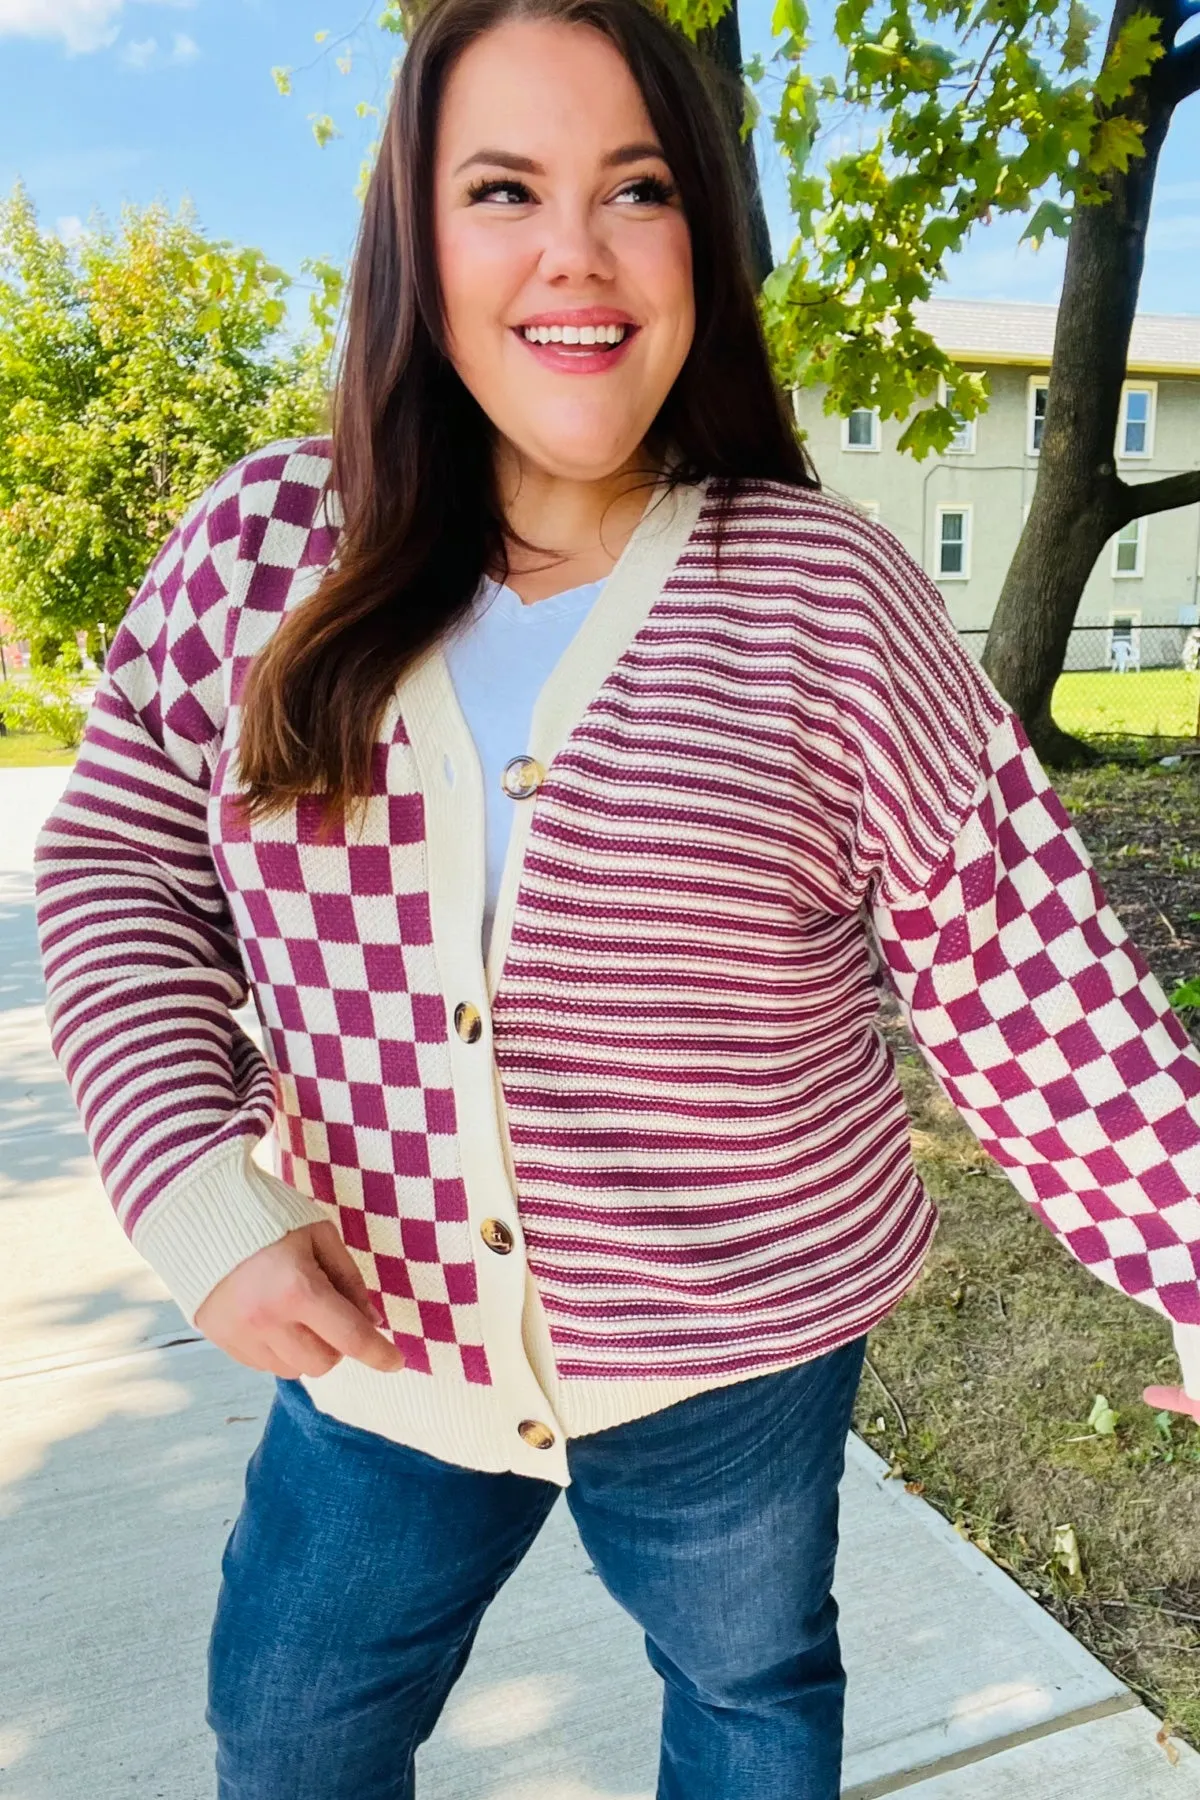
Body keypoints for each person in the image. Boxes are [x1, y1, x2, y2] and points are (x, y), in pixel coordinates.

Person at [32, 0, 1200, 1794]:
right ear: (415, 237)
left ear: (700, 240)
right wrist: (193, 1181)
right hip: (375, 1321)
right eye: (502, 187)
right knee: (289, 1716)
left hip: (739, 1352)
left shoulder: (822, 594)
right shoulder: (257, 551)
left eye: (636, 187)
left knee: (747, 1703)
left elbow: (1016, 954)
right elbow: (124, 868)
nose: (573, 251)